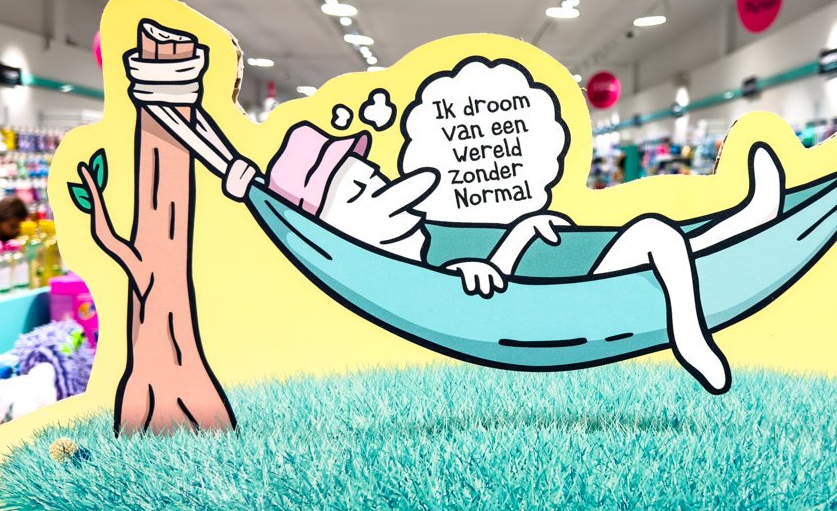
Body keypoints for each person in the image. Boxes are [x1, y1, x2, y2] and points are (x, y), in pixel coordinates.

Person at [267, 123, 784, 395]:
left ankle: (750, 219)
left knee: (671, 246)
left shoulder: (415, 248)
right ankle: (689, 334)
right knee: (656, 236)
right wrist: (470, 271)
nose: (386, 187)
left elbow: (495, 280)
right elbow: (455, 292)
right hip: (570, 312)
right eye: (363, 190)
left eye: (373, 177)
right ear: (341, 231)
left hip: (566, 301)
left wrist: (519, 233)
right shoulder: (398, 274)